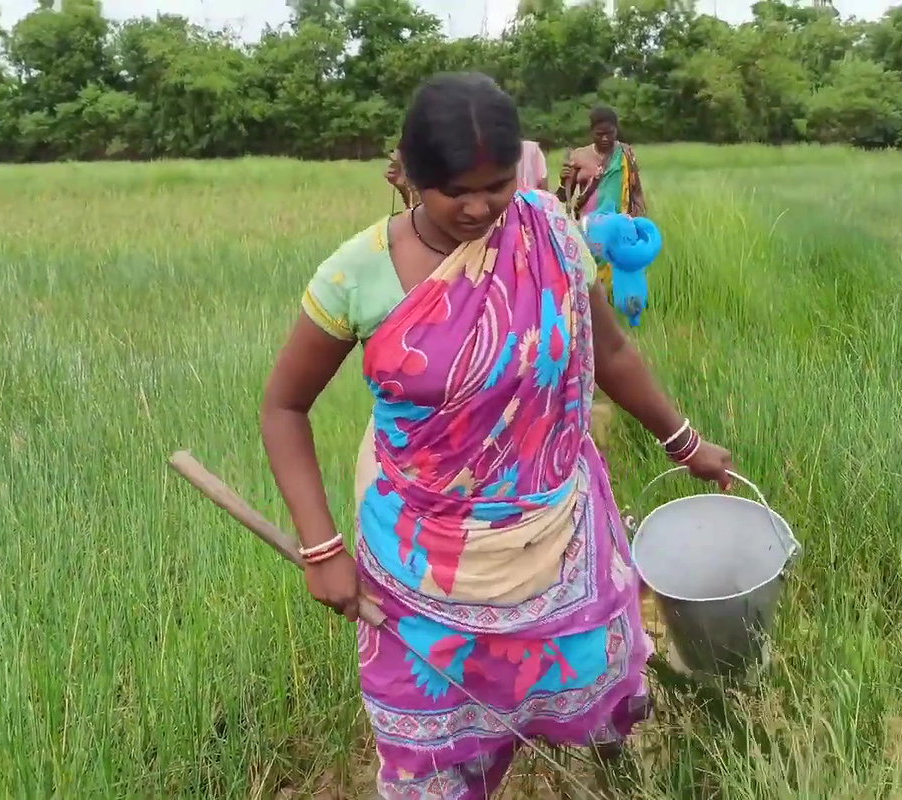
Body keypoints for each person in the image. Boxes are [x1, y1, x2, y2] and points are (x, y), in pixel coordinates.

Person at [261, 72, 734, 799]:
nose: (480, 208)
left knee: (600, 690)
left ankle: (615, 776)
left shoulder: (548, 231)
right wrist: (321, 549)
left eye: (497, 184)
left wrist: (685, 442)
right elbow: (284, 408)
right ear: (412, 174)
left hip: (559, 541)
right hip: (420, 570)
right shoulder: (357, 274)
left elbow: (609, 352)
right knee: (433, 754)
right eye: (457, 190)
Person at [557, 106, 648, 299]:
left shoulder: (626, 154)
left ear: (617, 130)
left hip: (620, 230)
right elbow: (562, 199)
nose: (605, 138)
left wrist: (640, 221)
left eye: (610, 133)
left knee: (620, 284)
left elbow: (636, 191)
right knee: (591, 283)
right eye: (599, 134)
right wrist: (562, 181)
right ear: (591, 132)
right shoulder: (579, 157)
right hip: (589, 233)